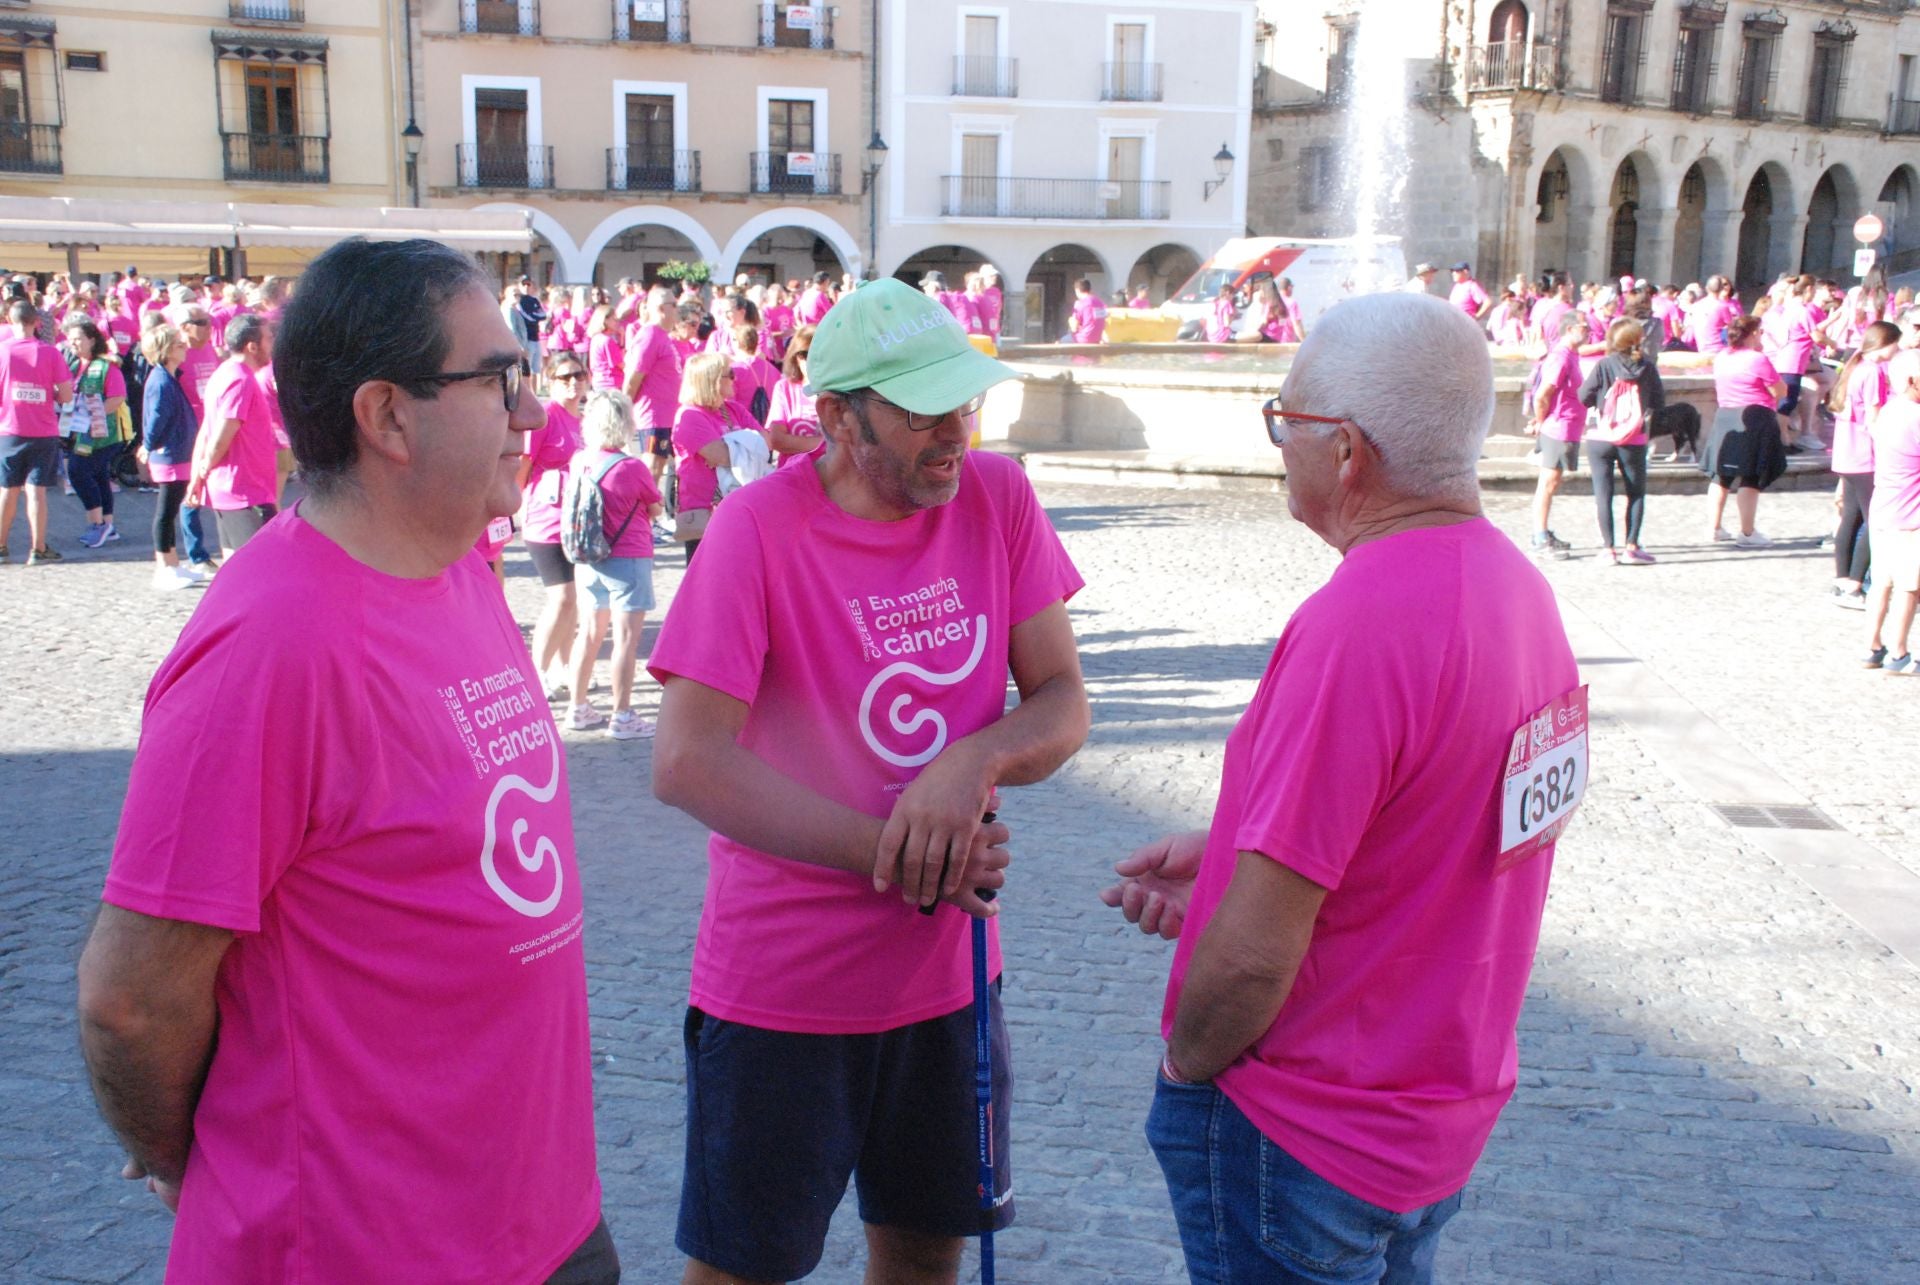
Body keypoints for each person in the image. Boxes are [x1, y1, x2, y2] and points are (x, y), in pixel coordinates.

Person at [76, 236, 613, 1283]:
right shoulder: (272, 644)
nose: (535, 412)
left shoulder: (459, 566)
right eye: (502, 379)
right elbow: (130, 998)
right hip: (359, 1249)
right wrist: (196, 1159)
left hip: (543, 1219)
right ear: (387, 415)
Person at [1104, 290, 1577, 1285]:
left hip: (1305, 1125)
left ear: (1347, 450)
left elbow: (1252, 958)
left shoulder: (1359, 622)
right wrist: (1233, 853)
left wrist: (1187, 1066)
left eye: (1287, 421)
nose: (1281, 446)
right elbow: (1449, 827)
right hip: (1432, 1115)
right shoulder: (1521, 592)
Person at [647, 276, 1089, 1285]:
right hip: (782, 989)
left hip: (950, 981)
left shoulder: (998, 497)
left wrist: (970, 762)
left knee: (927, 1260)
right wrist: (902, 850)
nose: (954, 434)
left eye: (963, 403)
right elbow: (686, 759)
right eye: (922, 411)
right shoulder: (757, 528)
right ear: (840, 417)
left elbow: (1063, 698)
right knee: (742, 1271)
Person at [565, 389, 663, 739]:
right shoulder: (631, 467)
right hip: (628, 557)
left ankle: (577, 707)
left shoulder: (580, 460)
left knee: (589, 633)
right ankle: (622, 715)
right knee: (625, 640)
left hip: (588, 557)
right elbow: (655, 508)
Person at [522, 351, 589, 698]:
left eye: (578, 375)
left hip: (577, 524)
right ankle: (537, 672)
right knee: (561, 598)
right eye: (564, 377)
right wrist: (516, 508)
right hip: (545, 522)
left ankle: (565, 667)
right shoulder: (546, 416)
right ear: (550, 382)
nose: (573, 382)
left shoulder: (584, 420)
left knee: (573, 600)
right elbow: (522, 464)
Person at [187, 312, 278, 556]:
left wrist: (198, 475)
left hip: (237, 489)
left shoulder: (224, 373)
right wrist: (203, 470)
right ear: (252, 346)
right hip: (244, 491)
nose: (272, 344)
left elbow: (206, 431)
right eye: (269, 338)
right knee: (258, 565)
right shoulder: (240, 380)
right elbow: (221, 433)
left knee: (234, 564)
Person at [1579, 317, 1664, 564]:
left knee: (1603, 494)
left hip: (1601, 436)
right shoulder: (1647, 367)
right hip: (1633, 436)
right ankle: (1632, 547)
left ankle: (1608, 549)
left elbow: (1583, 396)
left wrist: (1599, 402)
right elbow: (1659, 402)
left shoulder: (1604, 365)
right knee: (1636, 492)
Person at [1829, 322, 1902, 611]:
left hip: (1846, 454)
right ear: (1887, 343)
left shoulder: (1856, 367)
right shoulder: (1872, 372)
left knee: (1851, 517)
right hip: (1865, 455)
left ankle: (1841, 579)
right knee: (1876, 521)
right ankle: (1855, 583)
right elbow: (1873, 420)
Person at [1702, 314, 1790, 547]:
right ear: (1752, 334)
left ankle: (1714, 528)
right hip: (1755, 417)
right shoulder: (1757, 359)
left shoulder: (1722, 356)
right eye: (1760, 332)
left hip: (1725, 417)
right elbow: (1780, 391)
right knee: (1751, 476)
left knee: (1721, 475)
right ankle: (1747, 533)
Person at [0, 299, 75, 565]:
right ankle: (38, 548)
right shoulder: (51, 353)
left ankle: (1, 547)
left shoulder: (2, 351)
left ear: (9, 321)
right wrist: (48, 393)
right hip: (43, 430)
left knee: (7, 490)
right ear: (37, 323)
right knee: (36, 491)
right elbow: (66, 396)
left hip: (9, 429)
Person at [137, 322, 206, 591]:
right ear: (165, 350)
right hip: (168, 454)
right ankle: (164, 566)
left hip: (177, 452)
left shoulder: (168, 377)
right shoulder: (161, 380)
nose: (185, 346)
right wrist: (148, 445)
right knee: (165, 512)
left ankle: (174, 563)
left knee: (172, 509)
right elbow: (157, 417)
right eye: (178, 344)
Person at [1865, 349, 1920, 672]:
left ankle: (1871, 646)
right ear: (1912, 381)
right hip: (1910, 515)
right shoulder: (1916, 417)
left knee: (1881, 583)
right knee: (1908, 586)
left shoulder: (1889, 411)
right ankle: (1898, 653)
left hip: (1884, 507)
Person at [61, 315, 131, 549]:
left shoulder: (106, 366)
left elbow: (117, 397)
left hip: (105, 434)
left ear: (92, 340)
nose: (73, 343)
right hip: (81, 432)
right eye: (70, 339)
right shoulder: (74, 365)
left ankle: (98, 524)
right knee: (99, 475)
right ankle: (107, 526)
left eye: (78, 338)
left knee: (78, 472)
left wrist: (93, 415)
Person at [1524, 311, 1590, 559]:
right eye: (1584, 326)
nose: (1588, 330)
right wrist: (1541, 421)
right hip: (1558, 427)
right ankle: (1539, 536)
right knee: (1548, 483)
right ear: (1570, 328)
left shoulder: (1569, 355)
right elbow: (1543, 395)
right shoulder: (1561, 358)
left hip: (1563, 426)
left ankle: (1541, 533)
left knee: (1551, 482)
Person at [669, 351, 736, 564]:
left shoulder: (732, 409)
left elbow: (766, 443)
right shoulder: (689, 415)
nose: (734, 379)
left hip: (734, 505)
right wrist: (746, 446)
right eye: (729, 374)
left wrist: (735, 447)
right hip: (704, 511)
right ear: (712, 380)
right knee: (706, 577)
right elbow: (721, 455)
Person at [767, 324, 823, 467]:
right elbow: (777, 439)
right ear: (795, 357)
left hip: (835, 476)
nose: (811, 361)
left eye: (817, 354)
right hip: (794, 473)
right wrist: (826, 445)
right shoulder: (784, 388)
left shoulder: (841, 389)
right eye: (804, 354)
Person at [1068, 277, 1108, 344]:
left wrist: (1070, 322)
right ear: (1090, 289)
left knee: (1059, 342)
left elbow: (1074, 327)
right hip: (1097, 339)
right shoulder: (1101, 303)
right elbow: (1105, 323)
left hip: (1082, 339)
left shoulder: (1080, 303)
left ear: (1077, 290)